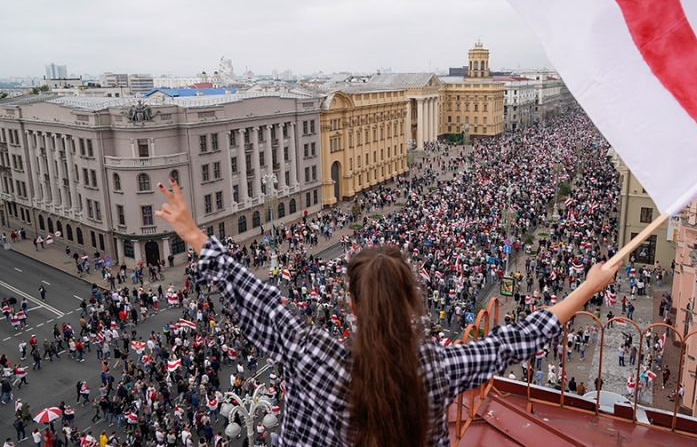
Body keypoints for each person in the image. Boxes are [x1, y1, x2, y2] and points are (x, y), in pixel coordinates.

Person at [155, 176, 621, 446]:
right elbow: (516, 340)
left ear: (352, 304)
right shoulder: (436, 367)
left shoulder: (311, 353)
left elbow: (253, 297)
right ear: (410, 301)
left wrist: (195, 235)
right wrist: (587, 286)